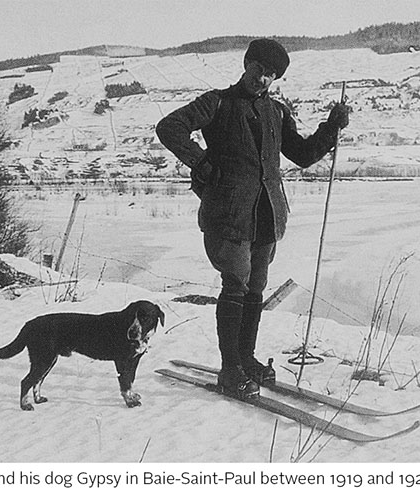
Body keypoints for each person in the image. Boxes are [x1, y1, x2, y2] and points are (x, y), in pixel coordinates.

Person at [156, 38, 349, 399]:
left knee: (256, 288)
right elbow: (169, 127)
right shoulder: (217, 102)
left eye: (271, 75)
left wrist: (330, 128)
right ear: (246, 64)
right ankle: (230, 371)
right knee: (236, 286)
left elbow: (303, 155)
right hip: (228, 215)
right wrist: (201, 160)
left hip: (266, 216)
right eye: (259, 70)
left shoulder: (277, 112)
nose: (263, 79)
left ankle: (246, 359)